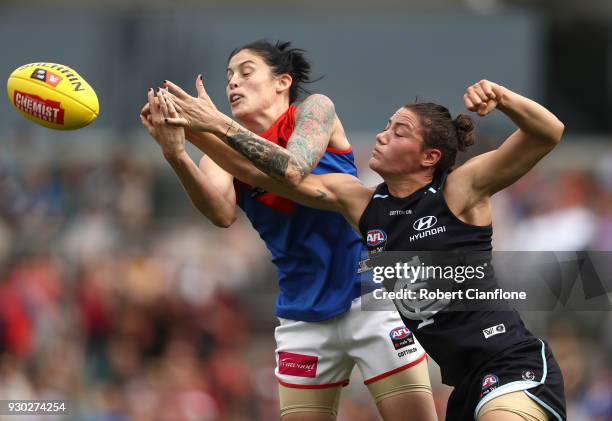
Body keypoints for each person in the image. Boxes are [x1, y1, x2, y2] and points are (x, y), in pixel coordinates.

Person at [155, 77, 567, 421]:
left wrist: (504, 99)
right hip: (467, 386)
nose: (384, 134)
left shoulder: (461, 189)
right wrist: (190, 133)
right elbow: (257, 171)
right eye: (388, 125)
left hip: (515, 367)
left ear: (430, 157)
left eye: (399, 131)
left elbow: (548, 133)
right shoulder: (363, 205)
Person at [141, 41, 437, 421]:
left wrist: (215, 125)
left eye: (246, 73)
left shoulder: (315, 111)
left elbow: (293, 167)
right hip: (302, 313)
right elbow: (220, 213)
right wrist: (176, 154)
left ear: (283, 82)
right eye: (229, 77)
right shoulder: (220, 149)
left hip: (372, 295)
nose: (233, 84)